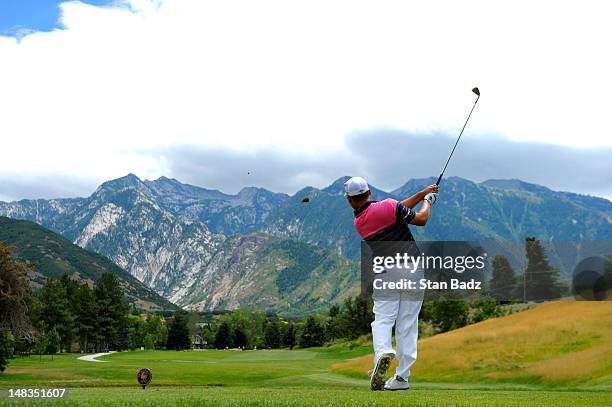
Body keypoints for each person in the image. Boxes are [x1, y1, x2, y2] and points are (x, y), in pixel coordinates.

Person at [344, 176, 438, 391]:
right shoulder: (387, 206)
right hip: (413, 269)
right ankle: (402, 378)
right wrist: (428, 202)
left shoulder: (360, 222)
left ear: (350, 200)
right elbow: (420, 219)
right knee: (407, 325)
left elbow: (396, 209)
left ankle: (382, 354)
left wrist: (422, 193)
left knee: (383, 320)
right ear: (369, 193)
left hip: (387, 272)